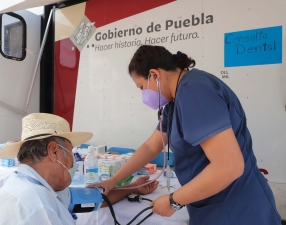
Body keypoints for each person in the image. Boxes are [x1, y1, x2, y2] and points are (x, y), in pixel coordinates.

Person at [89, 45, 282, 225]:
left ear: (154, 75)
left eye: (141, 87)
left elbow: (229, 166)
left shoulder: (195, 91)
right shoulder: (175, 101)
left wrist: (174, 200)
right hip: (213, 206)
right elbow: (151, 146)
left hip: (237, 209)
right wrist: (113, 181)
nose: (143, 95)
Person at [0, 113, 158, 225]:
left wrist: (133, 187)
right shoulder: (39, 206)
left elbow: (93, 198)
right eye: (70, 152)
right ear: (53, 152)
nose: (73, 163)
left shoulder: (28, 184)